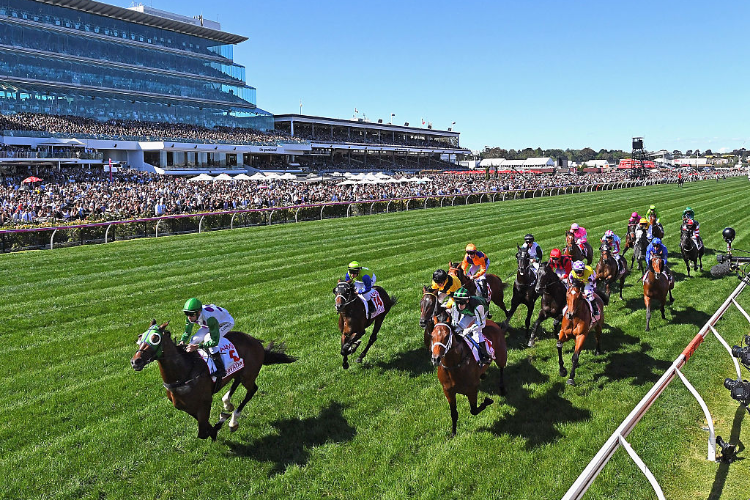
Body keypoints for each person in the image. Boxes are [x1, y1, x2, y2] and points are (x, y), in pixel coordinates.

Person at [180, 298, 235, 379]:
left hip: (225, 323)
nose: (189, 317)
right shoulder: (191, 315)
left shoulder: (209, 318)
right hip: (209, 324)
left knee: (208, 338)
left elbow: (214, 342)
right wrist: (182, 340)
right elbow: (187, 332)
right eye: (187, 314)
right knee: (194, 339)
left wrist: (198, 346)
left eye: (191, 315)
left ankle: (220, 369)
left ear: (199, 312)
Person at [447, 287, 492, 366]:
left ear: (467, 301)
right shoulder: (455, 305)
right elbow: (455, 321)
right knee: (458, 329)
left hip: (480, 313)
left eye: (462, 303)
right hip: (468, 313)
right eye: (458, 303)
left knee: (476, 334)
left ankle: (484, 356)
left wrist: (469, 329)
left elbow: (481, 324)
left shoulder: (478, 307)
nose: (459, 306)